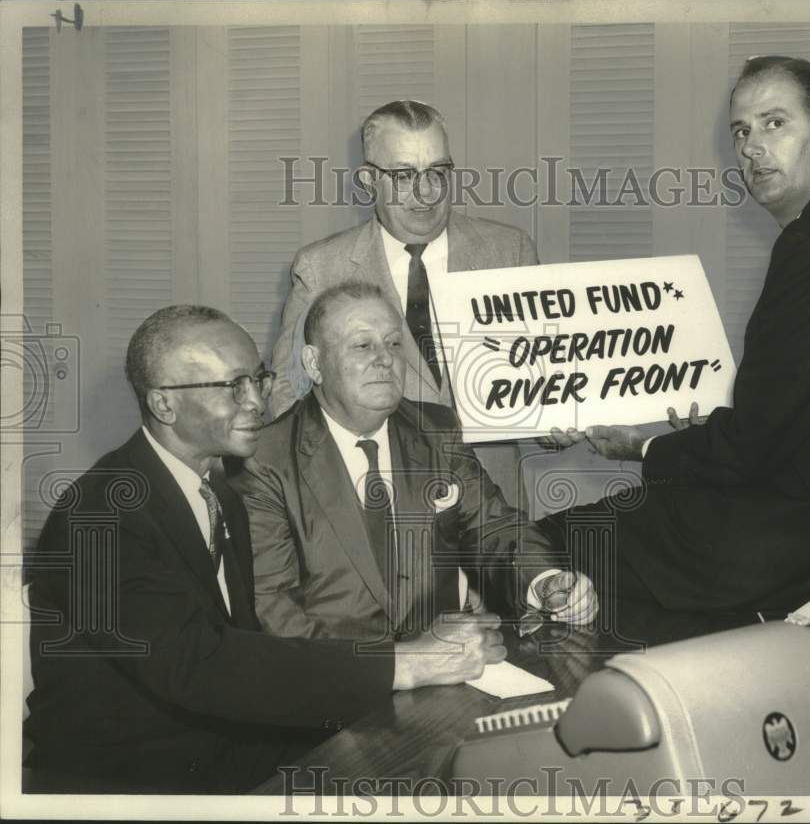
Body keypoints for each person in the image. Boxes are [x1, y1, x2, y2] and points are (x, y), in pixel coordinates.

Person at [22, 305, 512, 794]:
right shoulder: (99, 515)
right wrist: (404, 664)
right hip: (122, 782)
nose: (257, 400)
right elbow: (201, 665)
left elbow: (256, 647)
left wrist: (425, 649)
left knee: (453, 754)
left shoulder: (218, 495)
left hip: (221, 746)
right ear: (164, 405)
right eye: (233, 386)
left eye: (257, 378)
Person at [546, 56, 810, 638]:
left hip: (797, 550)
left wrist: (641, 447)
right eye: (742, 131)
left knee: (543, 546)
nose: (752, 148)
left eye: (774, 124)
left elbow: (753, 446)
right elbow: (803, 419)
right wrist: (696, 437)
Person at [232, 282, 598, 642]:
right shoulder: (265, 459)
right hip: (334, 679)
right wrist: (399, 669)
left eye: (394, 343)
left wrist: (546, 581)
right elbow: (275, 607)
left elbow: (495, 529)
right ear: (314, 363)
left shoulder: (436, 429)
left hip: (454, 667)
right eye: (362, 345)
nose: (385, 358)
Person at [270, 99, 539, 416]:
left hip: (489, 467)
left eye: (437, 172)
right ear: (369, 182)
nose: (425, 193)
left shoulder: (510, 251)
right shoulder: (321, 269)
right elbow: (287, 395)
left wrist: (556, 424)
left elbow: (546, 377)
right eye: (402, 176)